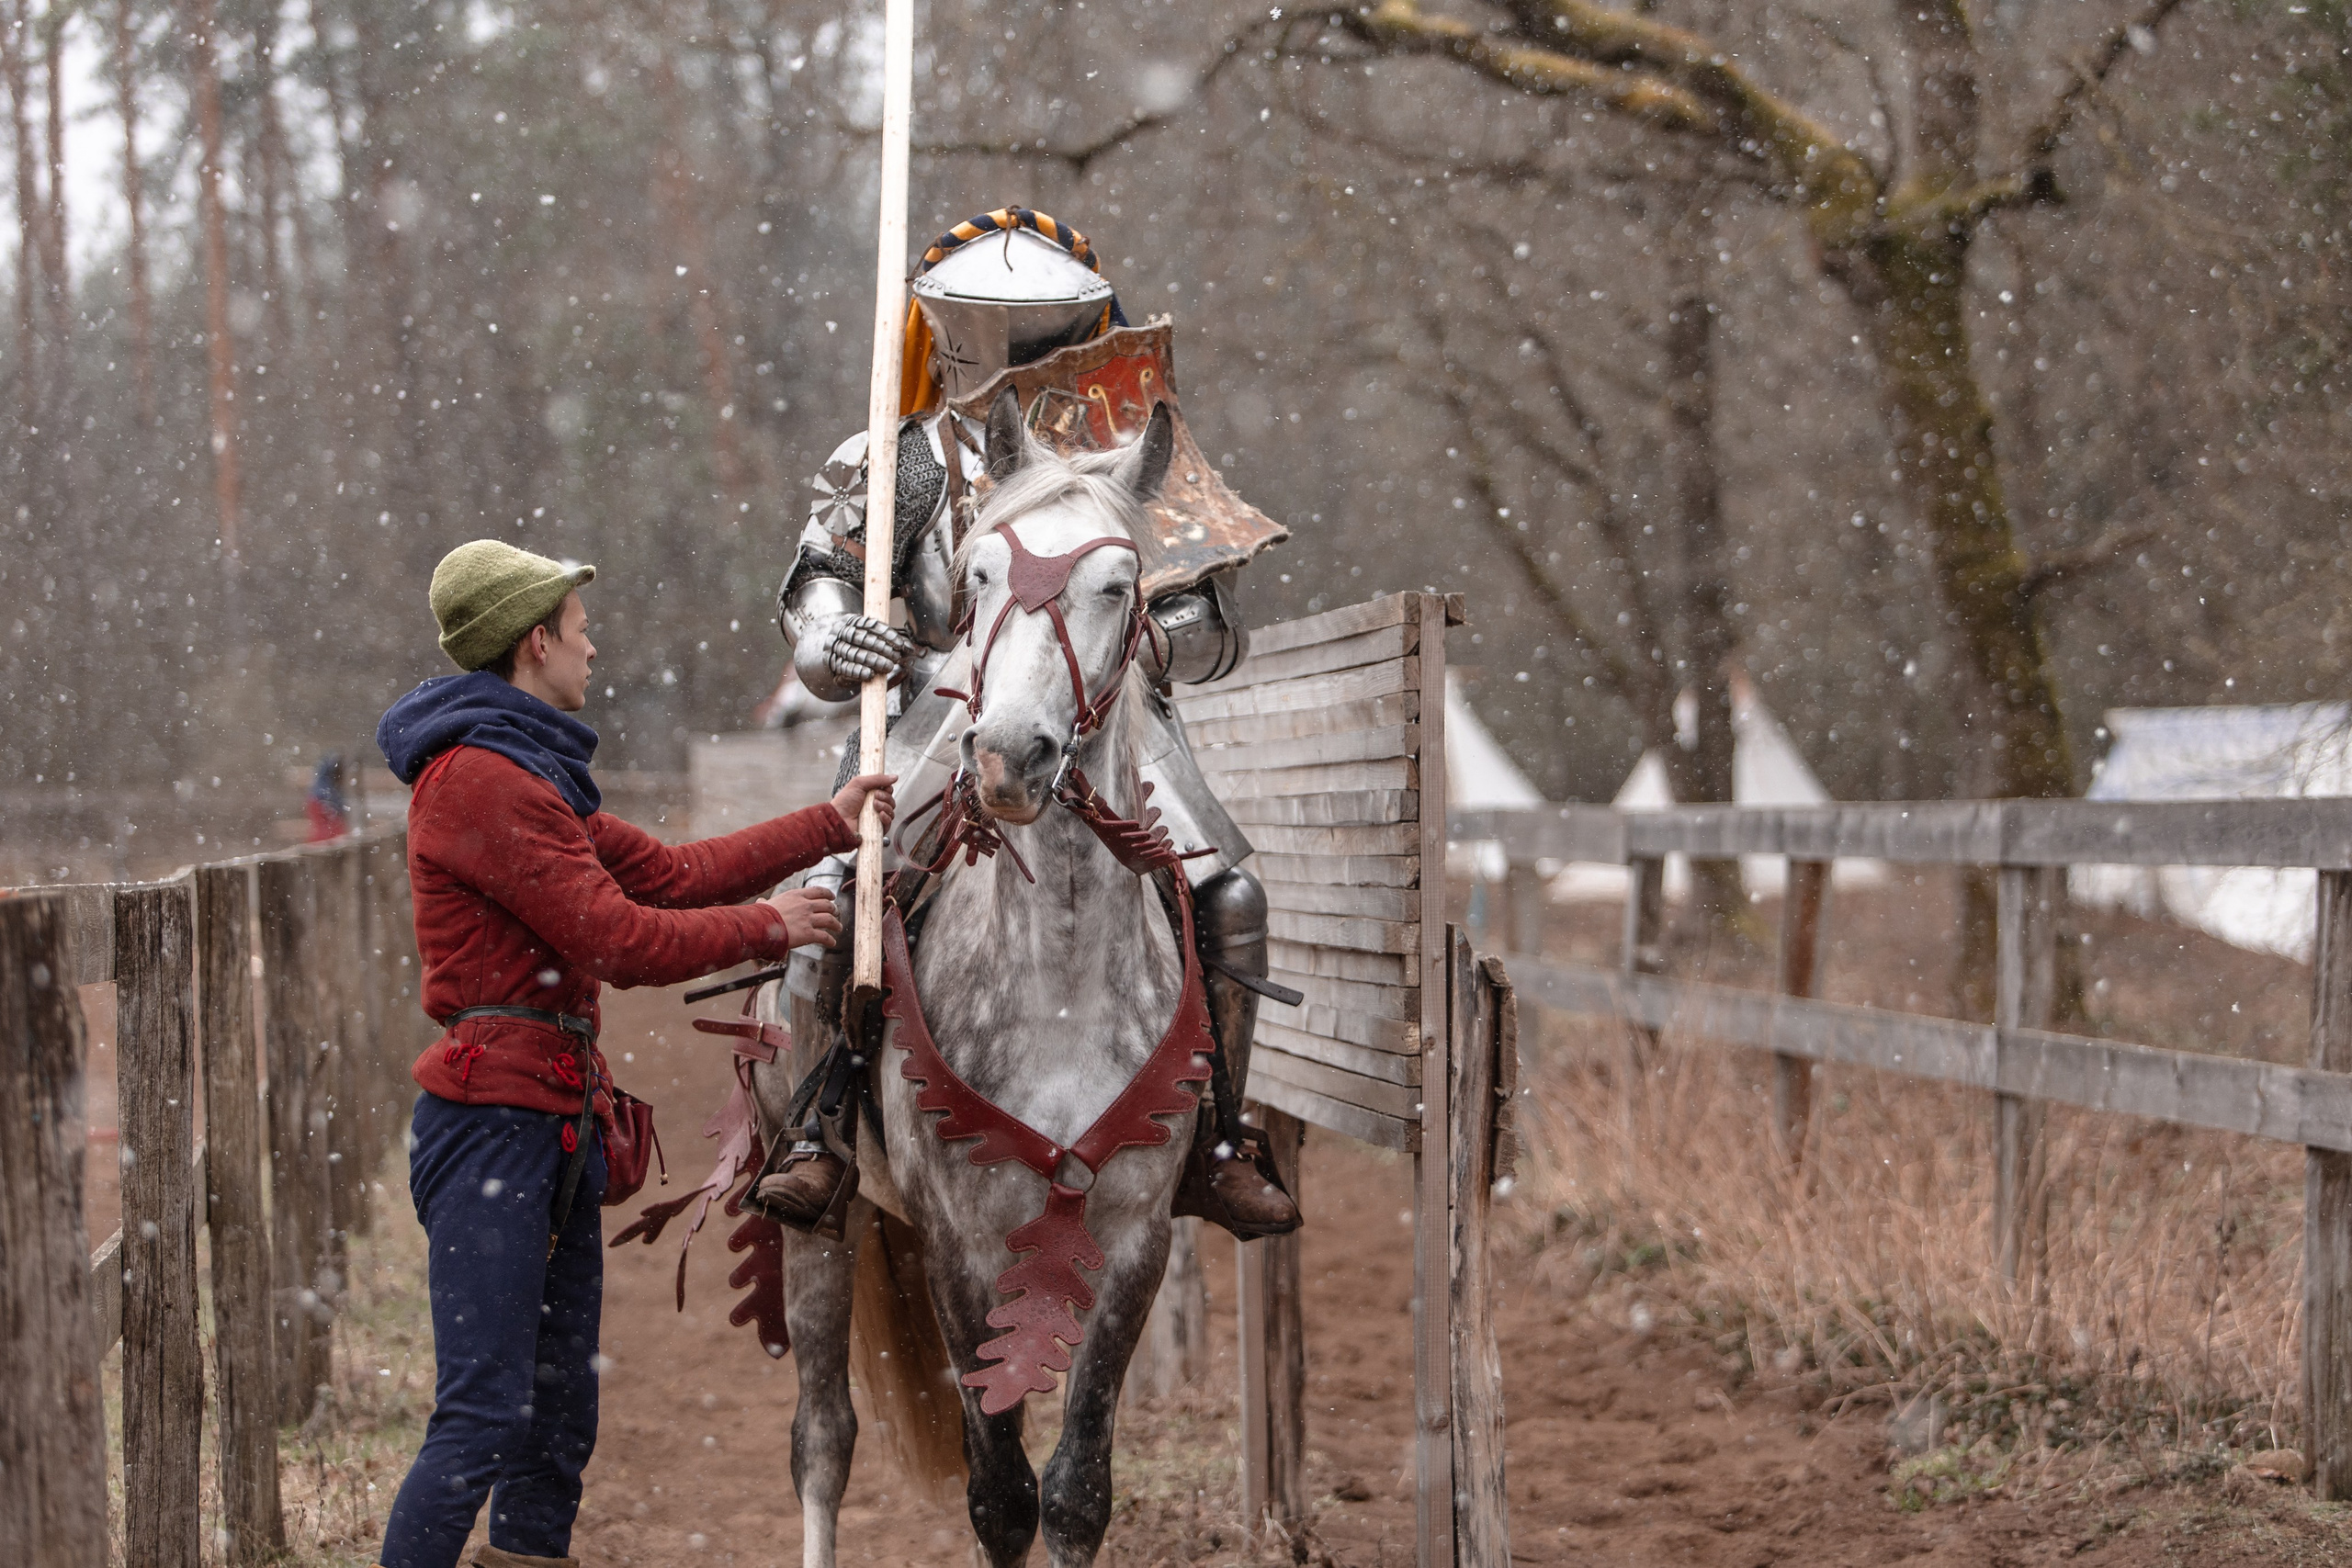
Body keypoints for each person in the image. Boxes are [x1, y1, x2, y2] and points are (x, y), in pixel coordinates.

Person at [766, 205, 1299, 1239]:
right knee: (833, 900)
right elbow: (821, 575)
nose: (1009, 350)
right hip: (936, 712)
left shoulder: (1136, 454)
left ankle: (1220, 1137)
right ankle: (820, 1124)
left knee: (1231, 897)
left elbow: (1214, 620)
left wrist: (1141, 643)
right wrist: (833, 639)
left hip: (1111, 722)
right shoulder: (899, 458)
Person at [372, 539, 894, 1568]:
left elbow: (669, 872)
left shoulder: (528, 773)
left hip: (551, 1118)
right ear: (535, 642)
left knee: (556, 1418)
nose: (592, 647)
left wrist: (822, 827)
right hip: (494, 1128)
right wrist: (772, 926)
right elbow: (620, 940)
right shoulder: (481, 781)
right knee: (483, 1416)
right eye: (579, 630)